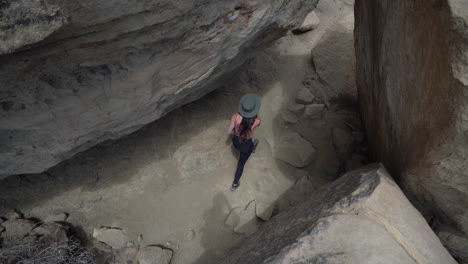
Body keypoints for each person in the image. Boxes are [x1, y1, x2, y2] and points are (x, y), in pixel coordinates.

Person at [227, 93, 261, 191]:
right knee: (241, 164)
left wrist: (236, 130)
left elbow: (229, 132)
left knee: (243, 151)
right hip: (247, 146)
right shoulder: (257, 121)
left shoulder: (235, 116)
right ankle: (234, 184)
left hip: (236, 142)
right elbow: (258, 121)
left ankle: (235, 185)